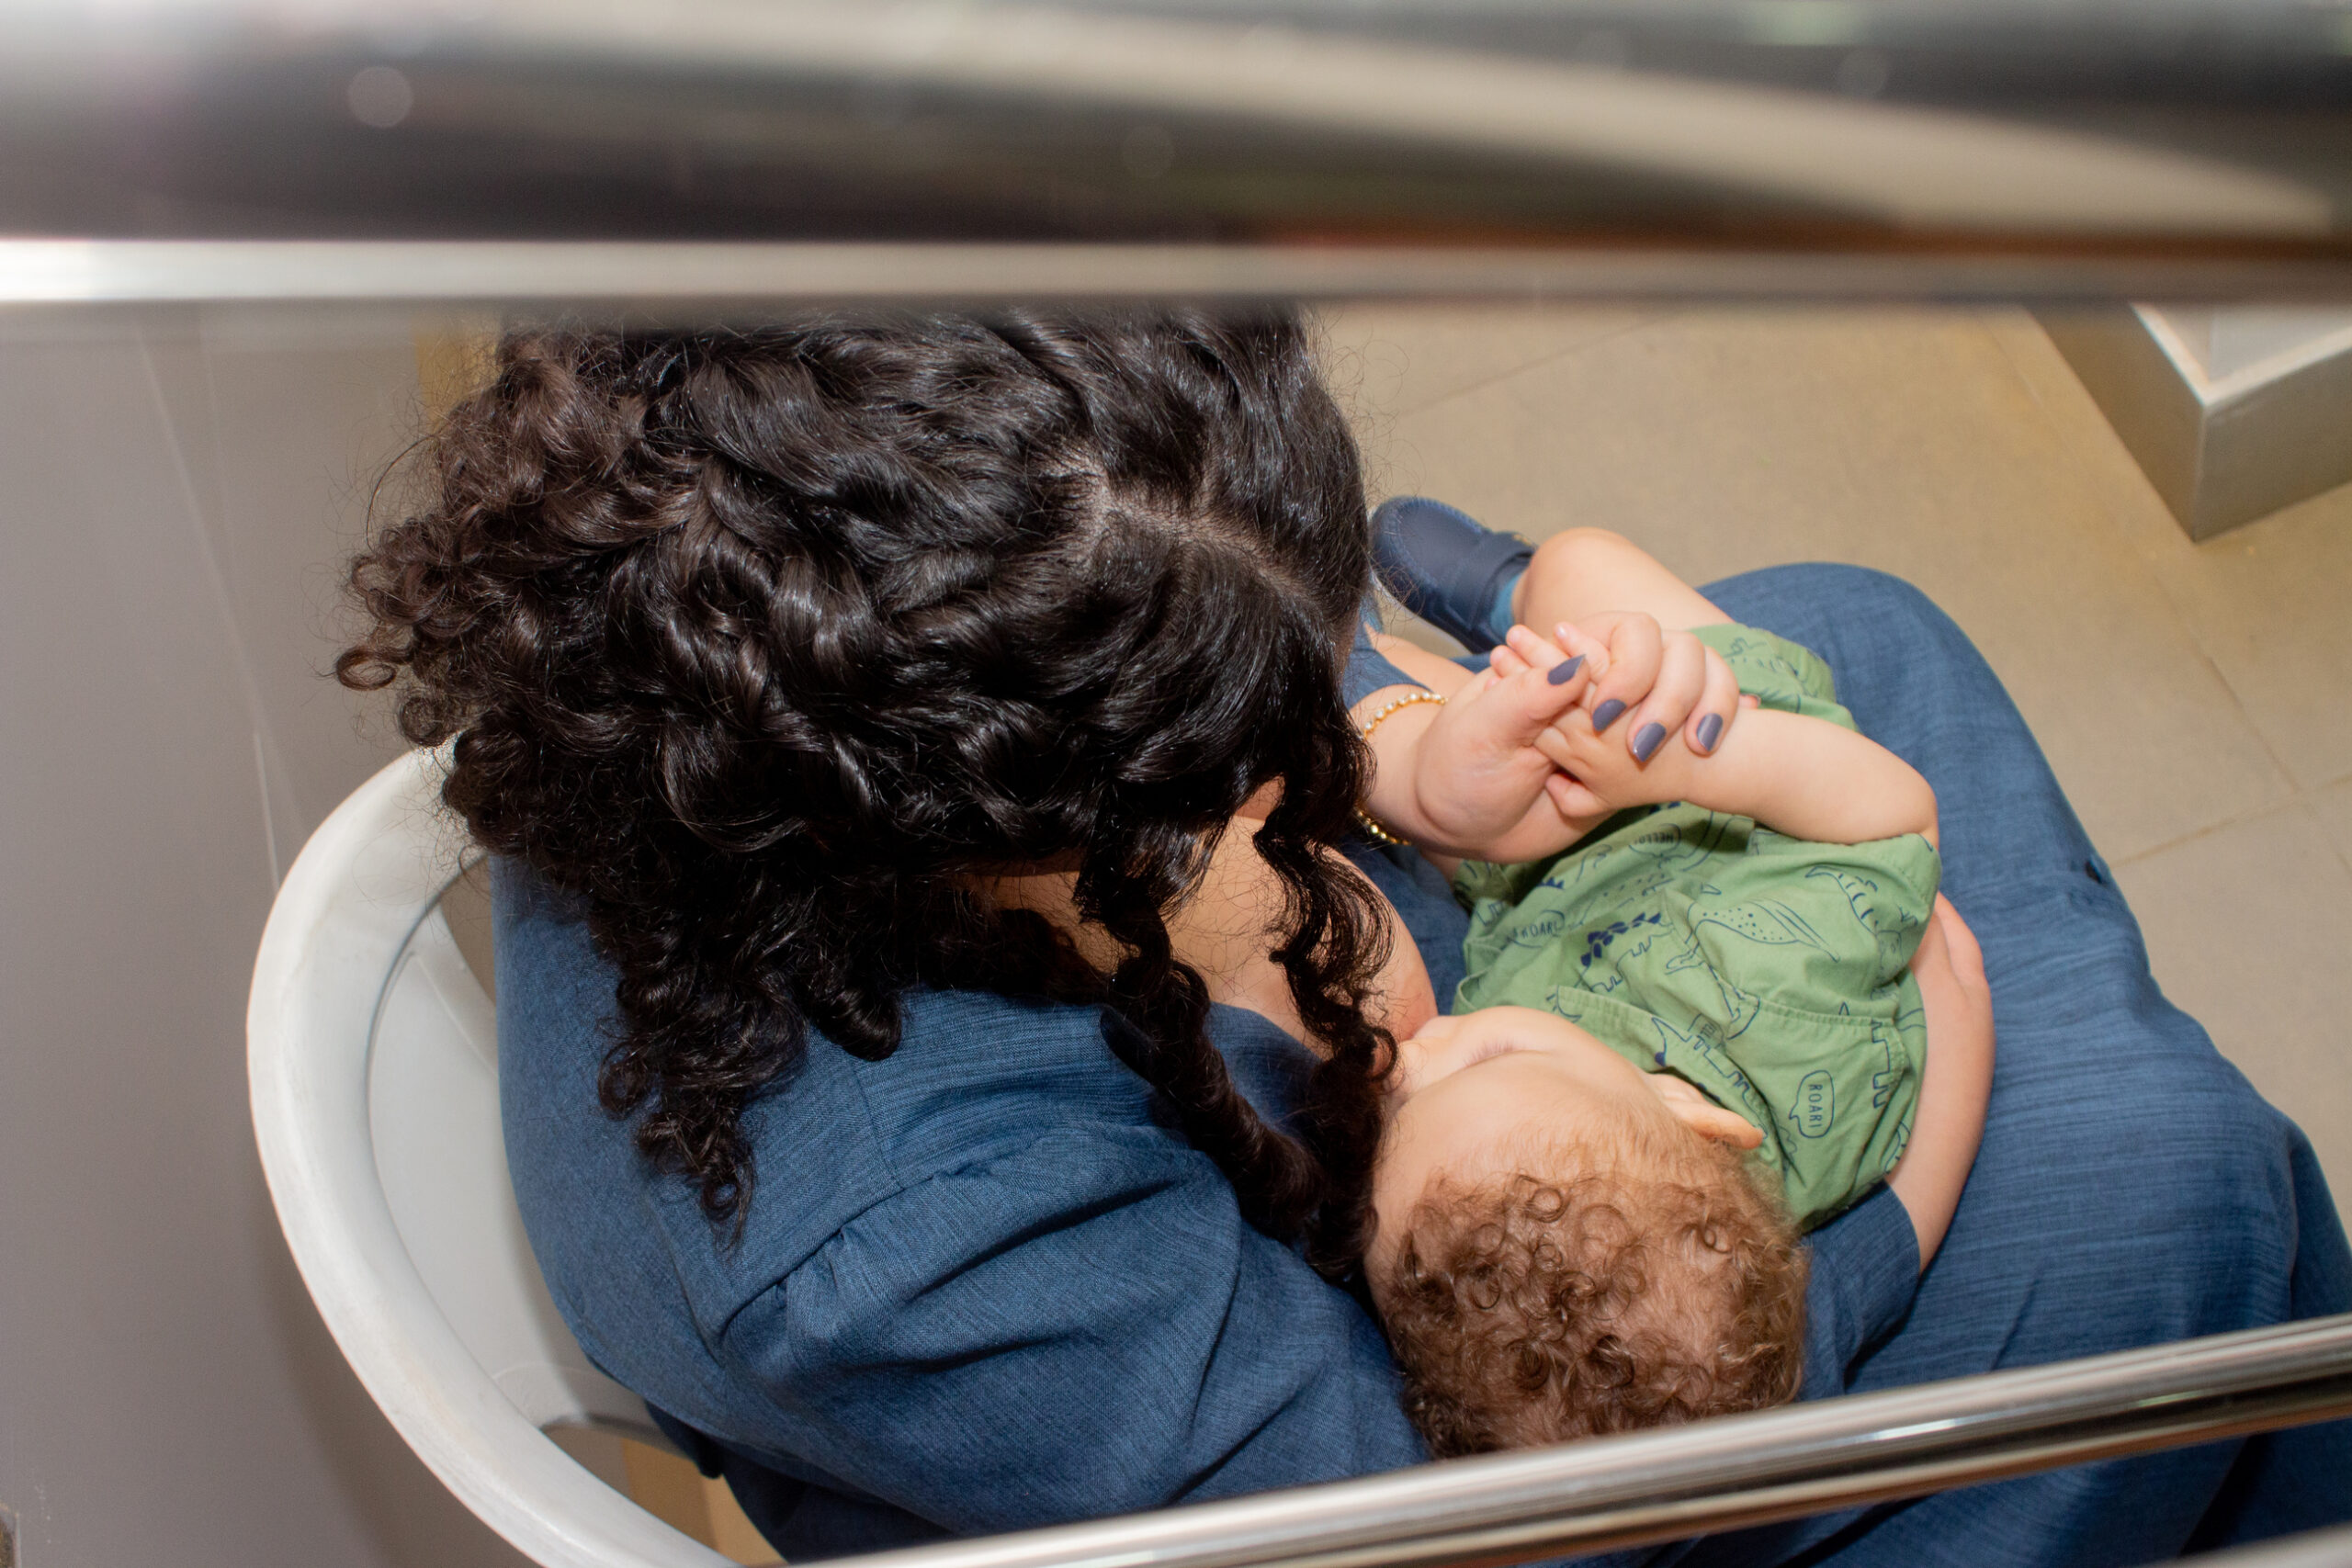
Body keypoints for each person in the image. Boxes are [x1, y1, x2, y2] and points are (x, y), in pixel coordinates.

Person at [338, 310, 2350, 1565]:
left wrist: (1394, 758)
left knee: (1860, 628)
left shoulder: (753, 626)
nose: (1330, 708)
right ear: (1011, 825)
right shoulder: (906, 1266)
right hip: (1454, 1452)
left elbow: (1278, 635)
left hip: (1313, 1124)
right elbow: (1508, 1488)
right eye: (1253, 750)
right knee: (2172, 1194)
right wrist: (1893, 1204)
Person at [1334, 516, 1996, 1456]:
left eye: (1393, 1109)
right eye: (1484, 1050)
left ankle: (1406, 645)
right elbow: (1893, 822)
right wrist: (1705, 760)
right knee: (1584, 569)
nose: (1415, 1048)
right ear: (1693, 1115)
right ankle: (1508, 594)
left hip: (1537, 883)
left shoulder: (1577, 1155)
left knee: (1416, 712)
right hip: (1712, 786)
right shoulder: (1803, 1027)